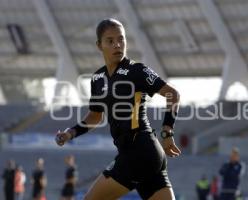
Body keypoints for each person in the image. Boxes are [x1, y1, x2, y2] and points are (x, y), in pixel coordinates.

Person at [55, 18, 181, 200]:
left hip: (140, 150)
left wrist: (167, 133)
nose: (117, 45)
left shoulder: (136, 71)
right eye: (110, 41)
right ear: (99, 45)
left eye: (121, 39)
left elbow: (172, 94)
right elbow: (95, 116)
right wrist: (71, 133)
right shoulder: (97, 78)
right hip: (143, 156)